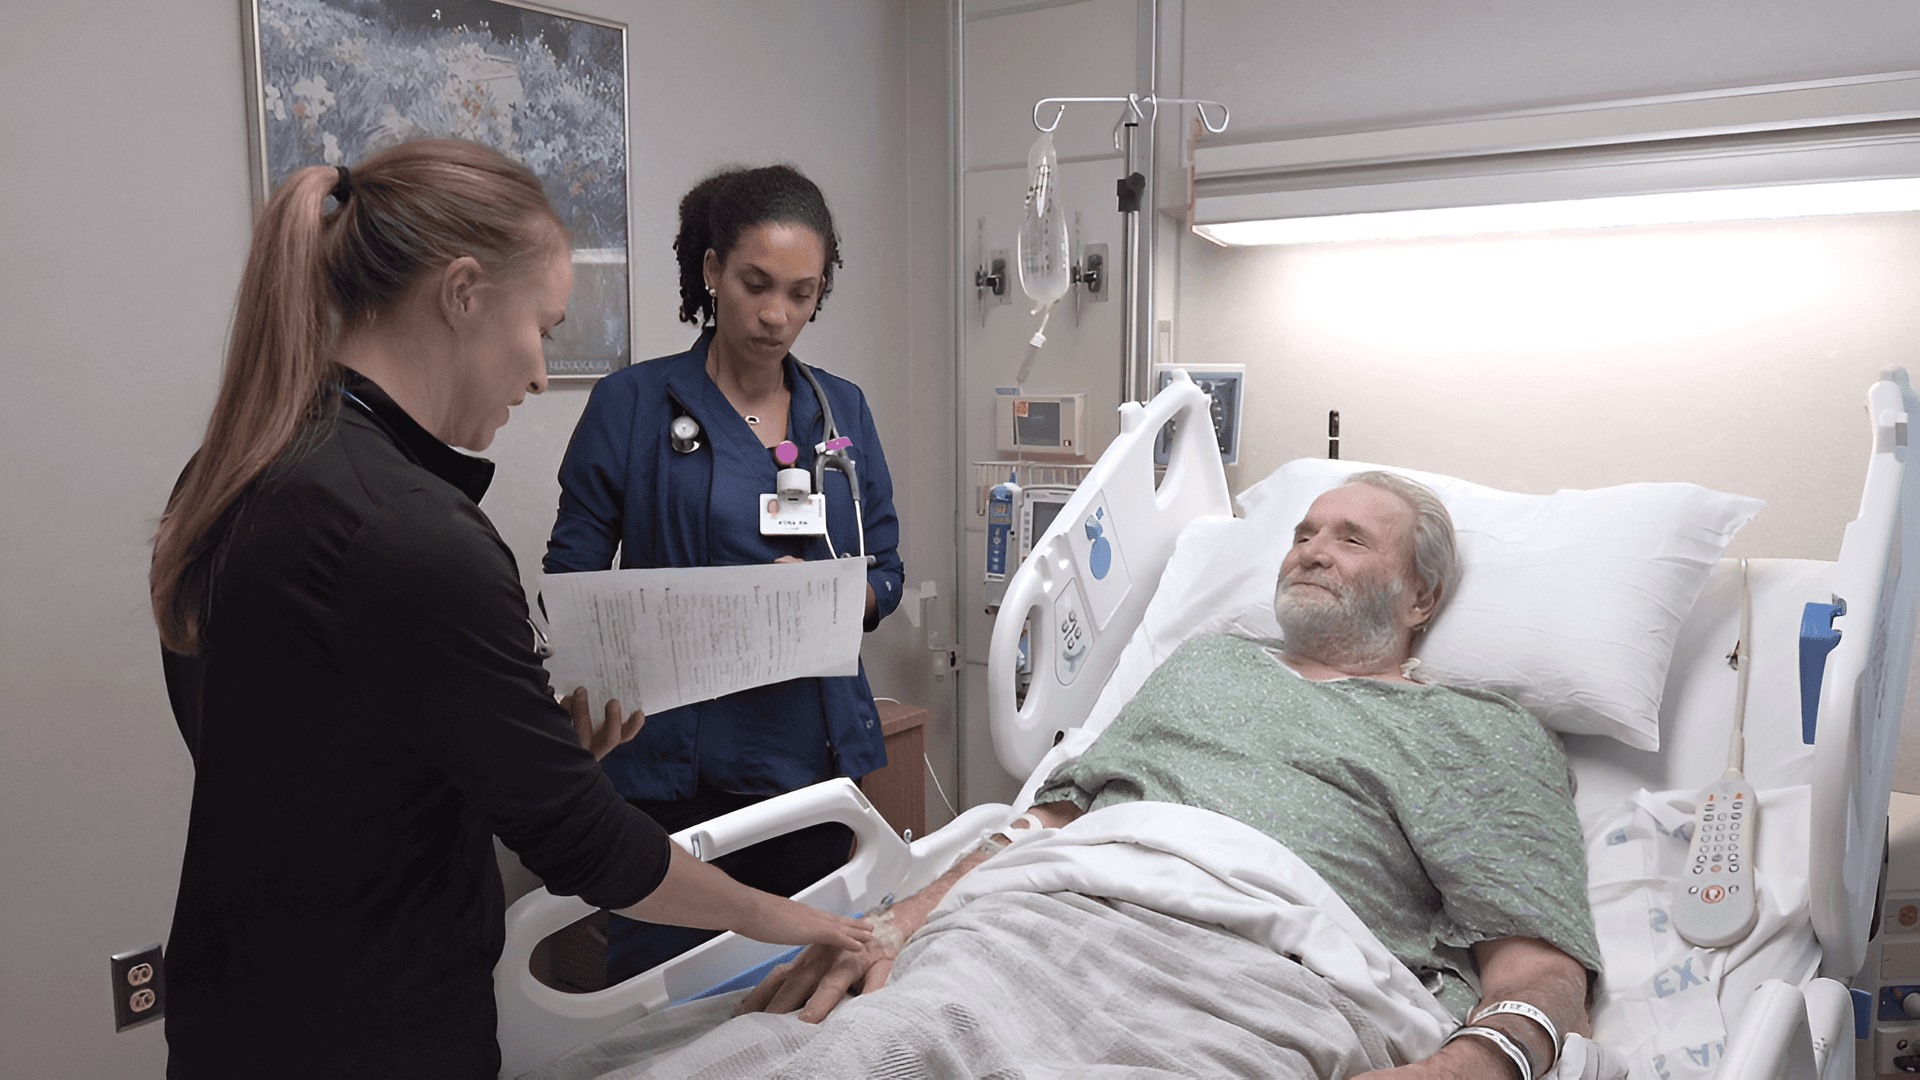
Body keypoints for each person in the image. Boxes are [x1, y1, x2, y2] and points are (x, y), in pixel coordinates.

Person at [148, 140, 869, 1080]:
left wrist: (520, 750)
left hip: (237, 1002)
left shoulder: (237, 470)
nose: (537, 375)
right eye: (543, 328)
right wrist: (808, 923)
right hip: (370, 1023)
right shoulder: (414, 534)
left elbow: (310, 759)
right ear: (462, 294)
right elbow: (586, 846)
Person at [722, 472, 1602, 1080]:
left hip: (1265, 986)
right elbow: (1056, 817)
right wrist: (902, 918)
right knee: (853, 1045)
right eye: (1302, 534)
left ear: (1421, 598)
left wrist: (1472, 1064)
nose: (1309, 551)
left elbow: (1539, 967)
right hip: (1036, 924)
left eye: (1351, 539)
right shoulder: (1208, 663)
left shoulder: (1479, 731)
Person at [544, 165, 904, 985]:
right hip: (672, 768)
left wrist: (831, 598)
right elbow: (570, 578)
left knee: (807, 990)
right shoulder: (631, 405)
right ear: (712, 271)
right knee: (668, 1001)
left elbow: (886, 570)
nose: (778, 315)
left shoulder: (841, 411)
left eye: (803, 294)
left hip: (808, 765)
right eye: (756, 284)